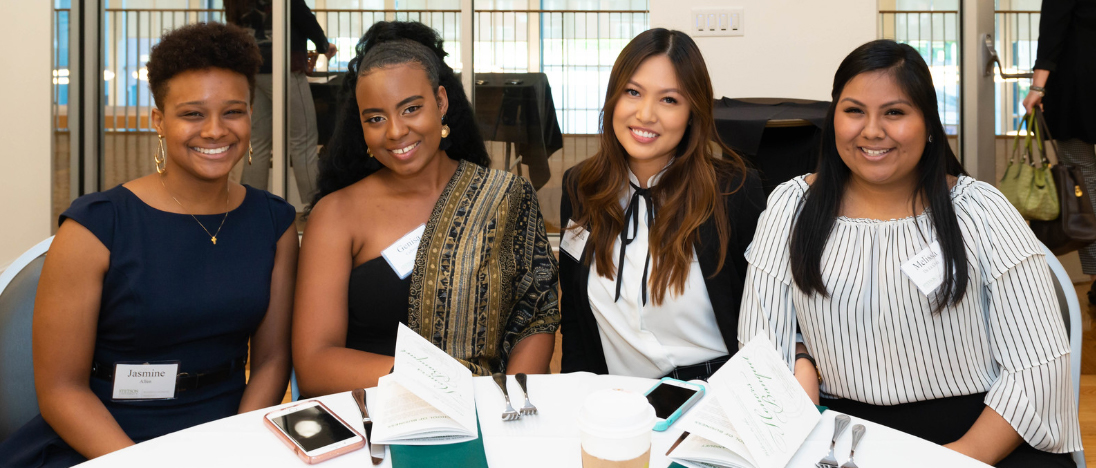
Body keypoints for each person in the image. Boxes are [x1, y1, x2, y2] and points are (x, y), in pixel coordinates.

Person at [740, 39, 1080, 467]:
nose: (872, 131)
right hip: (845, 435)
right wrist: (802, 357)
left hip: (984, 430)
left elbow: (1038, 364)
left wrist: (959, 457)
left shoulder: (982, 210)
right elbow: (761, 348)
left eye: (895, 112)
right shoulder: (792, 207)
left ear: (929, 123)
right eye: (854, 110)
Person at [0, 22, 298, 467]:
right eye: (192, 114)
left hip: (225, 435)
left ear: (252, 114)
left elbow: (273, 361)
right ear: (158, 120)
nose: (215, 131)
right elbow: (62, 391)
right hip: (103, 439)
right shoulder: (96, 225)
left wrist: (237, 450)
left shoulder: (275, 222)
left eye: (232, 111)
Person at [292, 21, 559, 396]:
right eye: (375, 118)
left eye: (411, 108)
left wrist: (508, 402)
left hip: (492, 415)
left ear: (441, 103)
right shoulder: (337, 215)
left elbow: (535, 317)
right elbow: (316, 363)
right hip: (379, 420)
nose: (396, 131)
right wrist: (445, 387)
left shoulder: (505, 196)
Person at [559, 28, 765, 381]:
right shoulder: (583, 187)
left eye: (669, 100)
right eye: (633, 92)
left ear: (692, 113)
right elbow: (576, 322)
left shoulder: (733, 191)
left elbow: (765, 321)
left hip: (715, 394)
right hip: (619, 402)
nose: (645, 114)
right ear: (613, 98)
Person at [1022, 0, 1096, 303]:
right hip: (1077, 85)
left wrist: (1037, 87)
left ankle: (1095, 277)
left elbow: (1054, 27)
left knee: (1085, 185)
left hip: (1077, 87)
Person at [229, 0, 336, 203]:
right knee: (303, 141)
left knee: (257, 143)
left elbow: (233, 25)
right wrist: (323, 45)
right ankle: (316, 206)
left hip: (251, 68)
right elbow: (306, 19)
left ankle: (250, 205)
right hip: (285, 67)